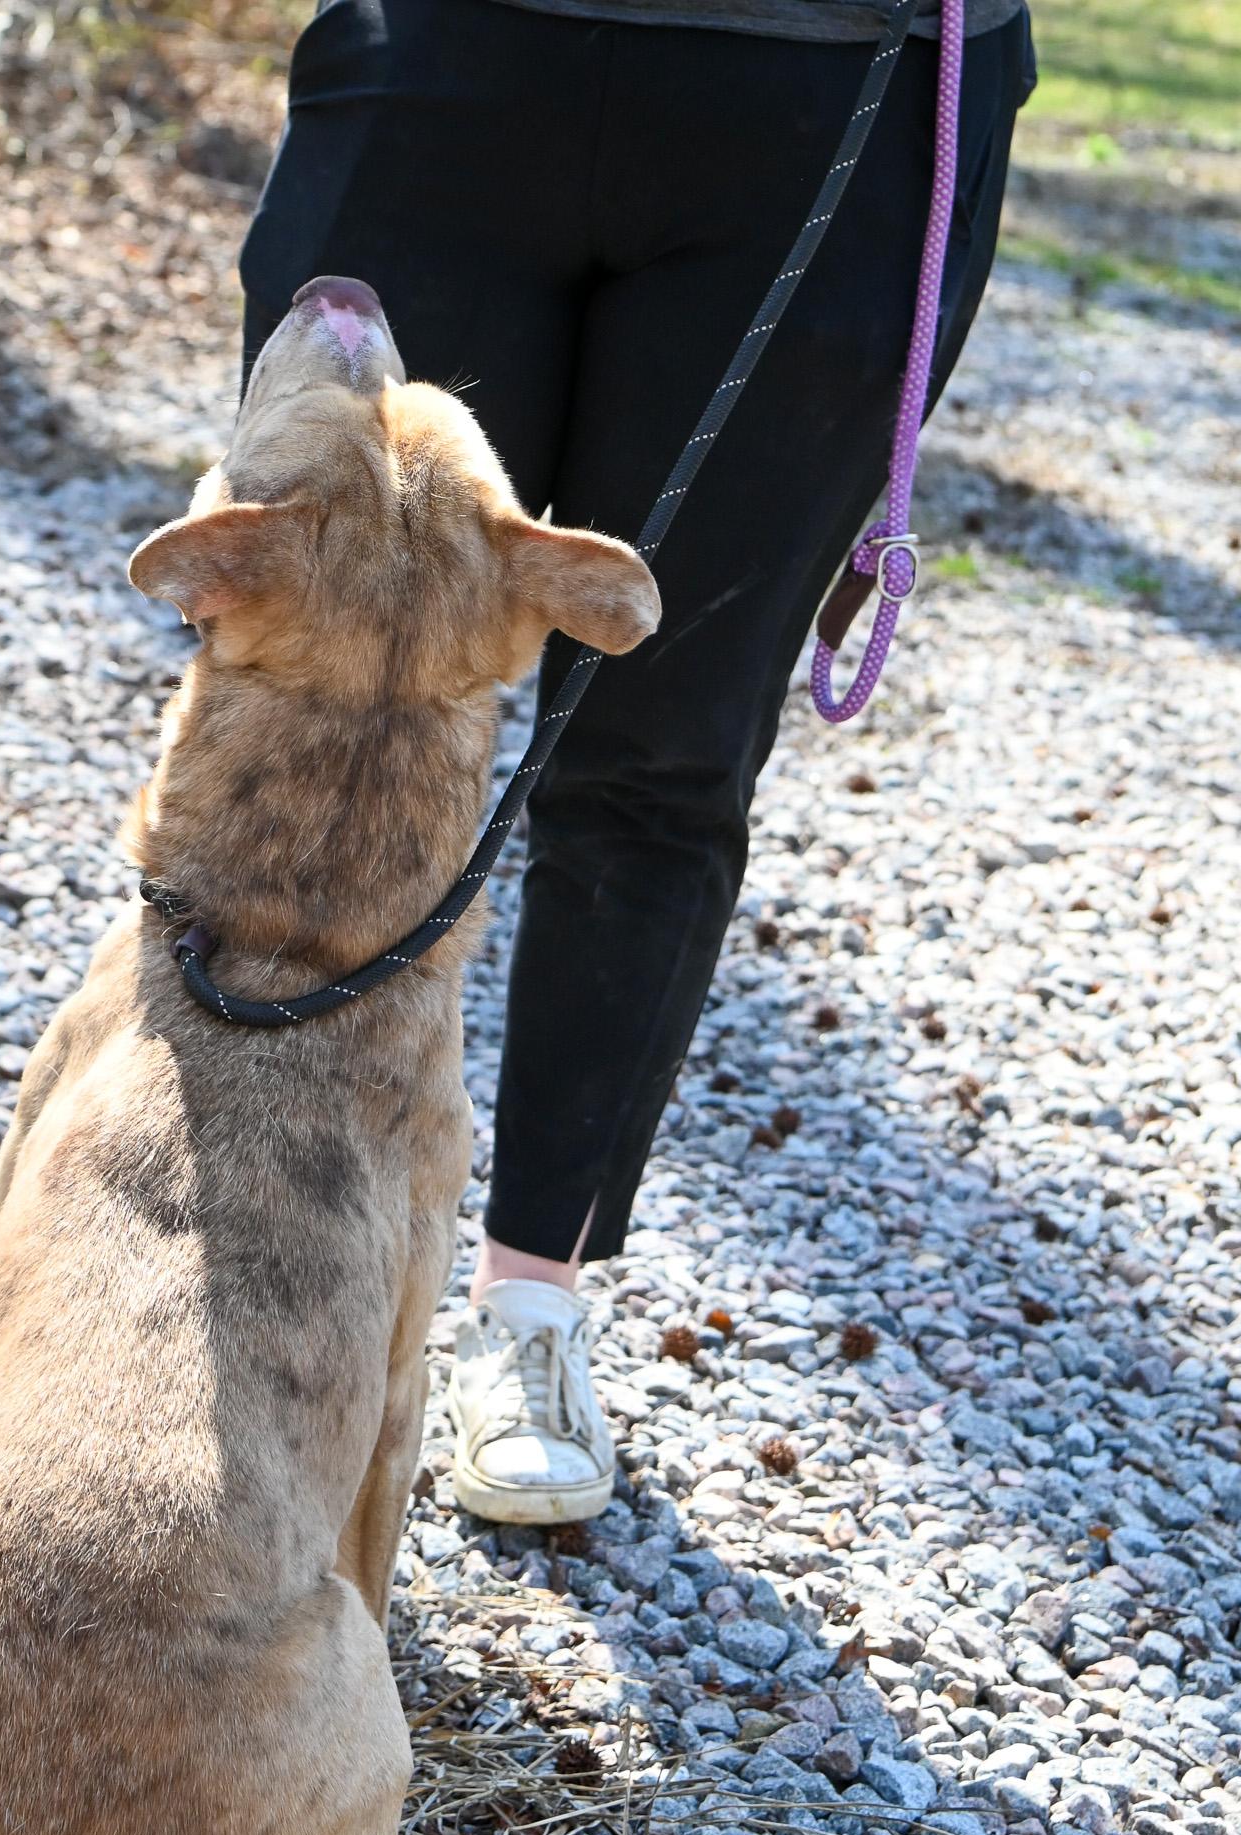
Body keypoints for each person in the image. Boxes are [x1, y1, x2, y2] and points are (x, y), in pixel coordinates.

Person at [239, 0, 1034, 1524]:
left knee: (663, 737)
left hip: (842, 84)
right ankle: (235, 1261)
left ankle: (530, 1311)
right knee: (324, 677)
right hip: (447, 60)